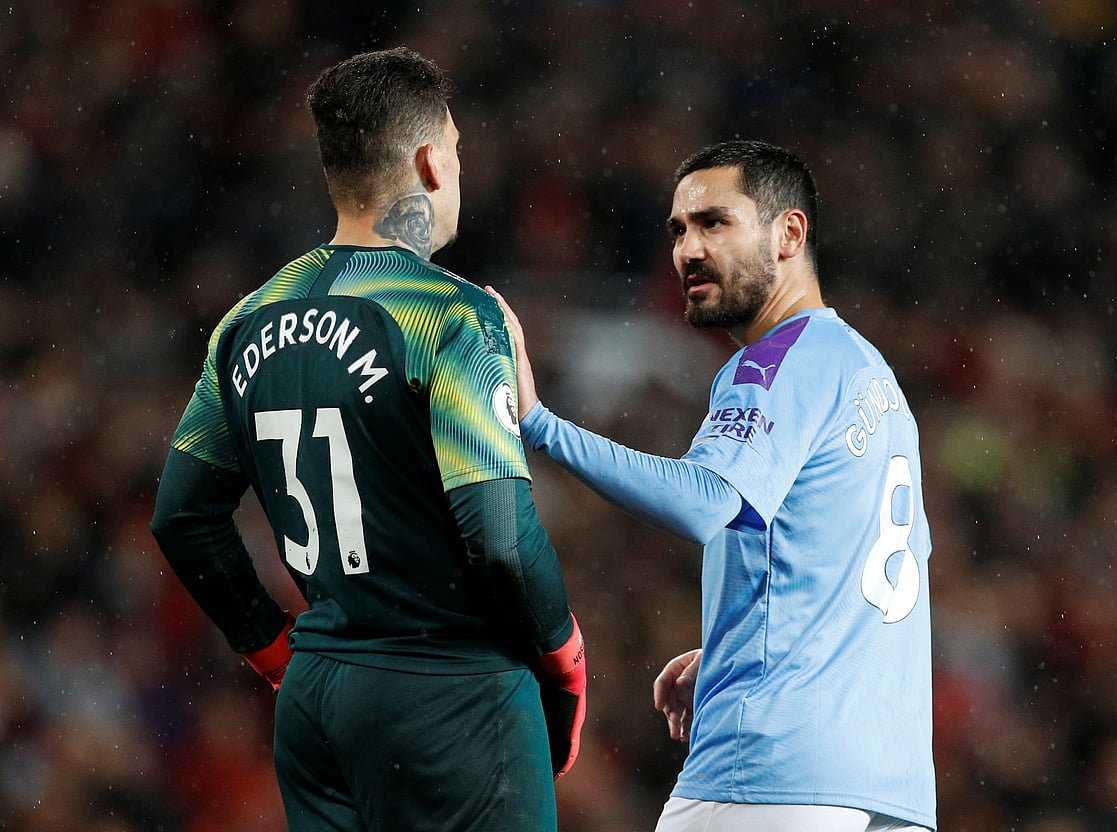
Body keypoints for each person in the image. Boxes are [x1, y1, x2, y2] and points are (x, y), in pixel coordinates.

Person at [150, 47, 586, 832]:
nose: (459, 167)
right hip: (452, 694)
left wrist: (275, 648)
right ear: (427, 160)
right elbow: (499, 541)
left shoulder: (247, 317)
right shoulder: (450, 316)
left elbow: (182, 517)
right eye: (455, 150)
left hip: (320, 707)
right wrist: (565, 658)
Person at [488, 139, 935, 831]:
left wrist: (539, 424)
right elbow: (861, 572)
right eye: (678, 230)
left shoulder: (774, 361)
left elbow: (702, 501)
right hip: (886, 787)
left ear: (790, 233)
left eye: (714, 223)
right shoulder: (866, 370)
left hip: (771, 771)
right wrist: (739, 640)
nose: (688, 249)